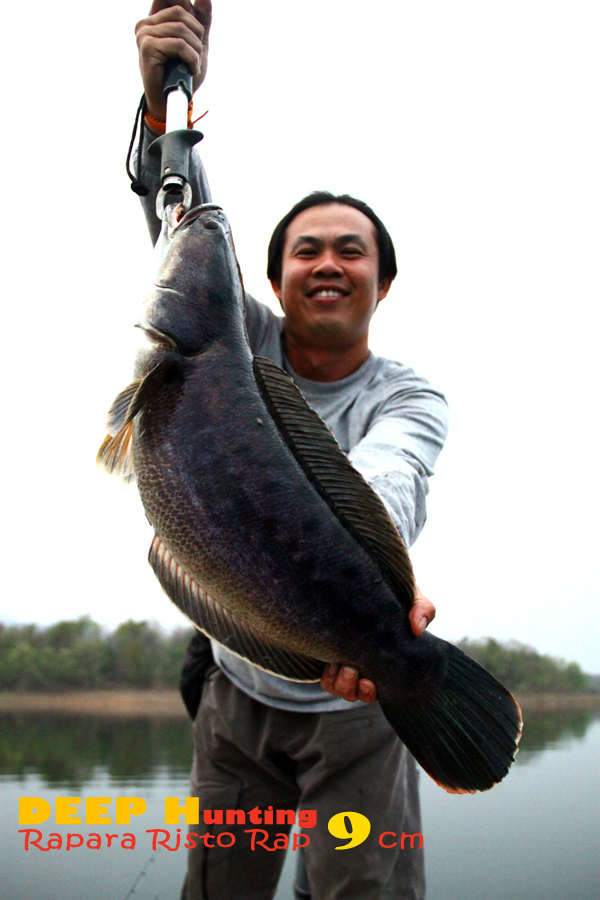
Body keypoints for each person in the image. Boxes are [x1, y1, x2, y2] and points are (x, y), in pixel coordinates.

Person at [134, 3, 449, 898]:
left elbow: (394, 477)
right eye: (305, 249)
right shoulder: (224, 343)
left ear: (383, 283)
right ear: (269, 282)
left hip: (365, 709)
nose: (327, 263)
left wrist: (375, 584)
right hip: (233, 698)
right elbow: (175, 210)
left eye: (352, 252)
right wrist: (162, 106)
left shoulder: (409, 394)